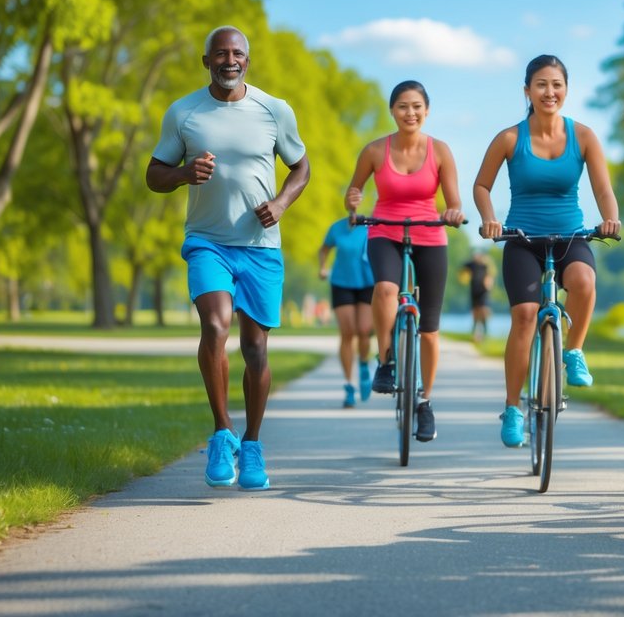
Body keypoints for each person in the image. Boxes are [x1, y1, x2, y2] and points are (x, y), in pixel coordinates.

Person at [146, 25, 310, 491]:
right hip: (207, 241)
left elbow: (301, 166)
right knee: (215, 326)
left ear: (247, 61)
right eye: (220, 53)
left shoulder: (274, 110)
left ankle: (252, 444)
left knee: (255, 349)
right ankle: (222, 433)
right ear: (207, 61)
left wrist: (281, 203)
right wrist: (183, 173)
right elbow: (153, 175)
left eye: (237, 53)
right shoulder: (184, 112)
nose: (229, 60)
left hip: (260, 246)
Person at [473, 54, 621, 448]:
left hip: (570, 235)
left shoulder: (584, 136)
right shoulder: (510, 138)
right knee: (524, 316)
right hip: (522, 239)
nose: (549, 92)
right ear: (527, 91)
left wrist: (611, 218)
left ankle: (574, 352)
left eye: (556, 84)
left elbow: (603, 189)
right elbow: (481, 186)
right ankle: (512, 408)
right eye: (541, 84)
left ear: (566, 90)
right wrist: (489, 219)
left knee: (584, 281)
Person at [345, 80, 464, 443]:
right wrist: (353, 203)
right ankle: (386, 361)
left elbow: (454, 202)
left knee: (429, 328)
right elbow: (353, 192)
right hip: (384, 230)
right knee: (385, 289)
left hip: (429, 233)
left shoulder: (440, 151)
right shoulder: (374, 151)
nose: (410, 113)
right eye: (402, 106)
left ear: (426, 111)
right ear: (392, 111)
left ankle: (425, 402)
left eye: (416, 106)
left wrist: (453, 213)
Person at [319, 215, 374, 407]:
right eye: (351, 200)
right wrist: (323, 267)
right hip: (341, 283)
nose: (354, 203)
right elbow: (324, 249)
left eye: (357, 200)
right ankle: (349, 385)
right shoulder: (336, 228)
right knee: (347, 332)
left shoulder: (370, 226)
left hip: (367, 282)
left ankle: (364, 364)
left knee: (364, 330)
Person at [460, 249, 494, 342]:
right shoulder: (471, 265)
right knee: (475, 314)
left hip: (483, 292)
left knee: (484, 312)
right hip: (474, 292)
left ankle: (485, 334)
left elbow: (490, 276)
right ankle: (474, 334)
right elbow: (462, 267)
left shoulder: (485, 266)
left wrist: (488, 284)